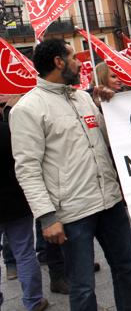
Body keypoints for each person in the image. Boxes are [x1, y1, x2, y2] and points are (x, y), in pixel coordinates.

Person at [10, 39, 131, 311]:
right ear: (59, 62)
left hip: (110, 202)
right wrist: (47, 217)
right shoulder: (27, 109)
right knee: (83, 288)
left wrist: (111, 108)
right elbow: (27, 169)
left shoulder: (84, 97)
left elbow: (108, 139)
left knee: (127, 270)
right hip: (73, 213)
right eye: (72, 57)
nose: (79, 62)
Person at [1, 97, 48, 311]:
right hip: (16, 203)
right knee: (25, 252)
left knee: (23, 252)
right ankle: (33, 301)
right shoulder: (8, 132)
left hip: (15, 203)